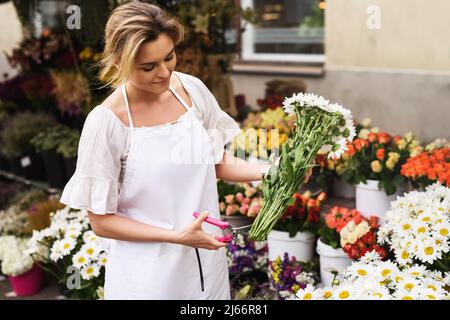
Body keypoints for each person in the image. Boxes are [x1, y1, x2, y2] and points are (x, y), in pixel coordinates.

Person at [60, 1, 309, 300]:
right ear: (118, 62)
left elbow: (213, 161)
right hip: (147, 278)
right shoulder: (107, 123)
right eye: (148, 67)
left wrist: (272, 172)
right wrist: (176, 236)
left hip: (205, 263)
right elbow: (101, 222)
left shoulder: (190, 91)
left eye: (169, 57)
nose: (164, 72)